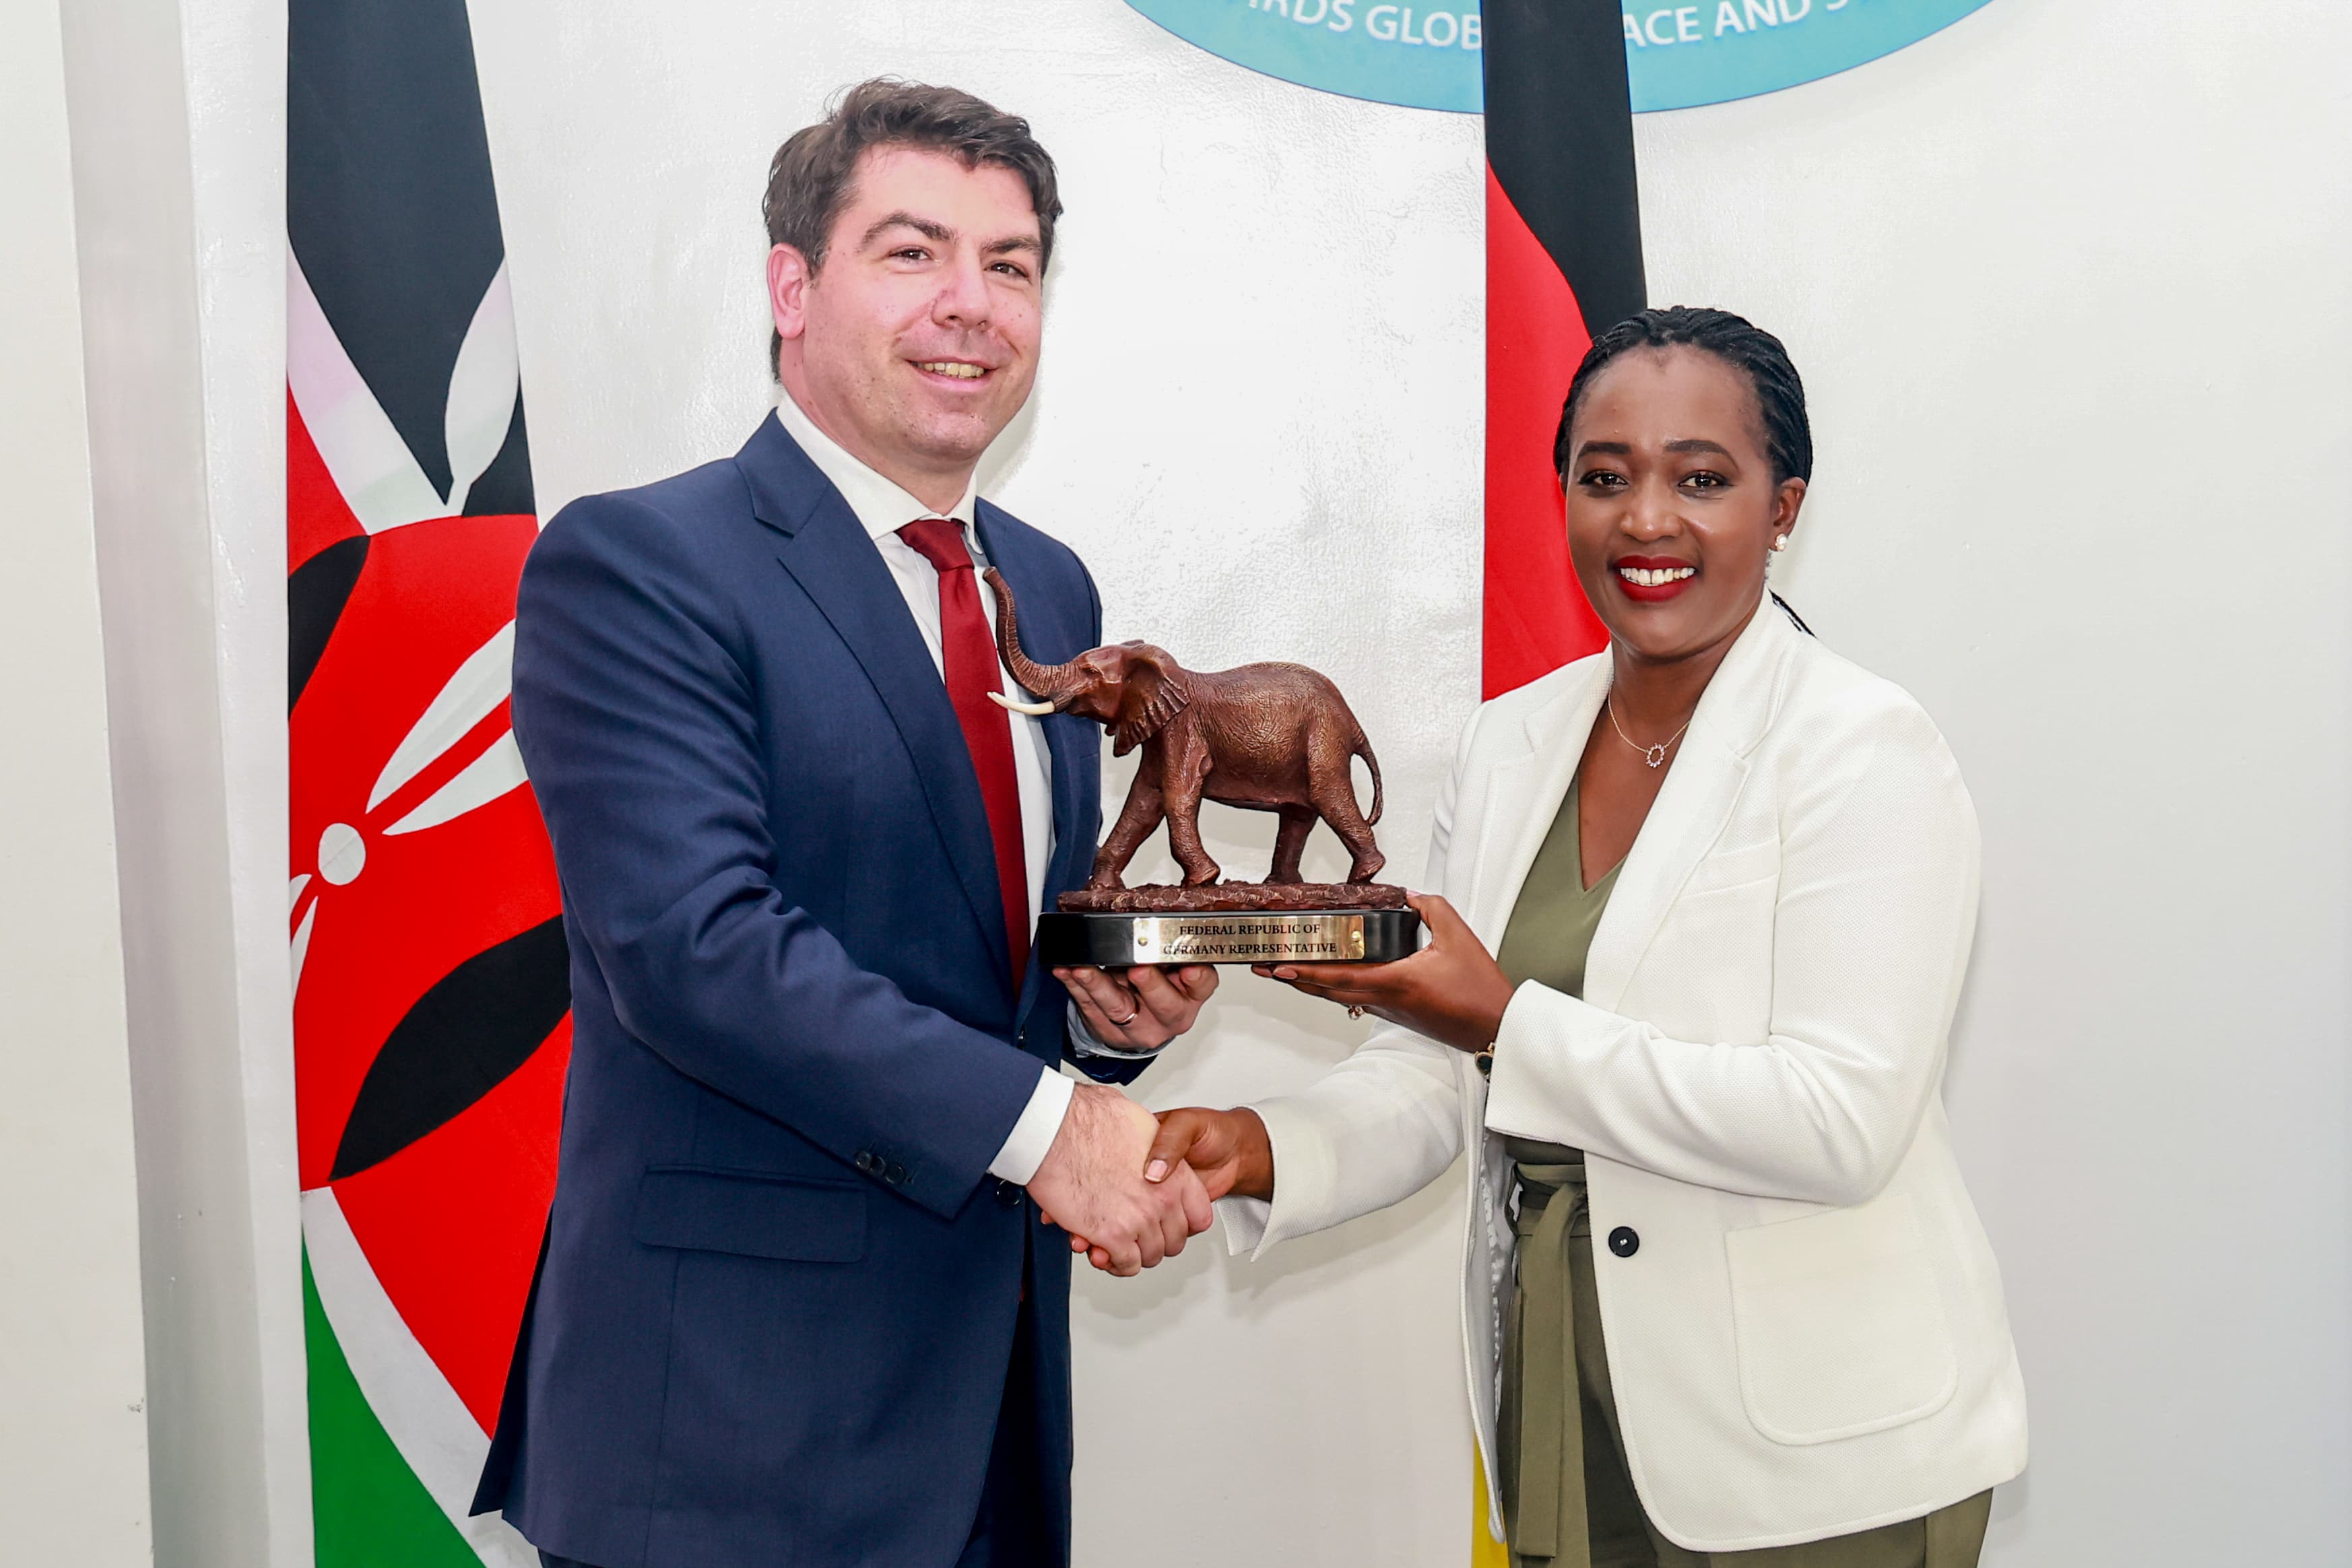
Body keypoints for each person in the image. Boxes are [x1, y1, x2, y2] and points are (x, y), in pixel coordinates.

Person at [1135, 308, 2028, 1565]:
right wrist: (1258, 1147)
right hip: (1556, 1394)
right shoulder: (1512, 743)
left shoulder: (1862, 747)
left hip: (1821, 1457)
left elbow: (1840, 1122)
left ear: (1785, 508)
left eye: (1701, 479)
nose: (1646, 519)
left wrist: (1504, 1019)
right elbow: (1440, 1077)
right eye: (1604, 478)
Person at [471, 79, 1220, 1568]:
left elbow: (998, 962)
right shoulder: (638, 567)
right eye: (912, 251)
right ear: (791, 287)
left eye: (1011, 266)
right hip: (727, 1447)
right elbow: (694, 952)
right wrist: (1052, 1126)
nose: (971, 304)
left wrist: (1112, 1021)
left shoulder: (1048, 590)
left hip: (990, 1418)